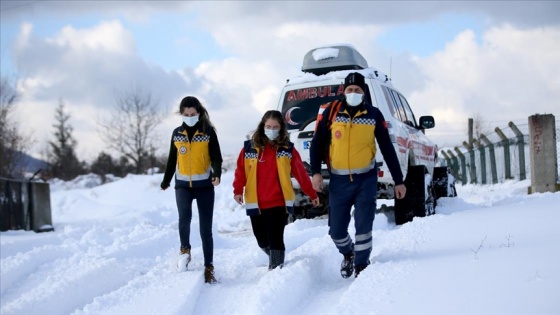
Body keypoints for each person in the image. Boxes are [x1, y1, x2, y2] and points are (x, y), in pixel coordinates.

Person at [310, 72, 406, 278]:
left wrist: (399, 181)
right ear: (344, 91)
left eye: (357, 90)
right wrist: (316, 172)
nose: (353, 93)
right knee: (336, 231)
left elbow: (387, 148)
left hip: (365, 180)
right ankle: (349, 253)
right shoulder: (332, 113)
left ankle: (362, 267)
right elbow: (317, 143)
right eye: (350, 90)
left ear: (364, 92)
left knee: (363, 225)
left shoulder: (373, 114)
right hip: (339, 181)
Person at [233, 110, 320, 270]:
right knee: (262, 240)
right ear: (262, 126)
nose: (271, 130)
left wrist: (311, 193)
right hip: (256, 203)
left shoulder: (288, 149)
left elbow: (300, 173)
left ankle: (275, 270)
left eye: (275, 127)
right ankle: (276, 258)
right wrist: (238, 190)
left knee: (275, 239)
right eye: (268, 126)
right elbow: (240, 171)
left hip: (279, 202)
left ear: (281, 128)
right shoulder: (249, 149)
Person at [161, 96, 223, 284]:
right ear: (182, 114)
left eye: (193, 114)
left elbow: (216, 157)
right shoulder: (176, 133)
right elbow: (172, 159)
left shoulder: (208, 132)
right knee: (184, 218)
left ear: (199, 113)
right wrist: (166, 180)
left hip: (204, 186)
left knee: (205, 228)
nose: (189, 117)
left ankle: (209, 266)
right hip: (182, 186)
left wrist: (216, 173)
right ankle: (185, 250)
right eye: (186, 114)